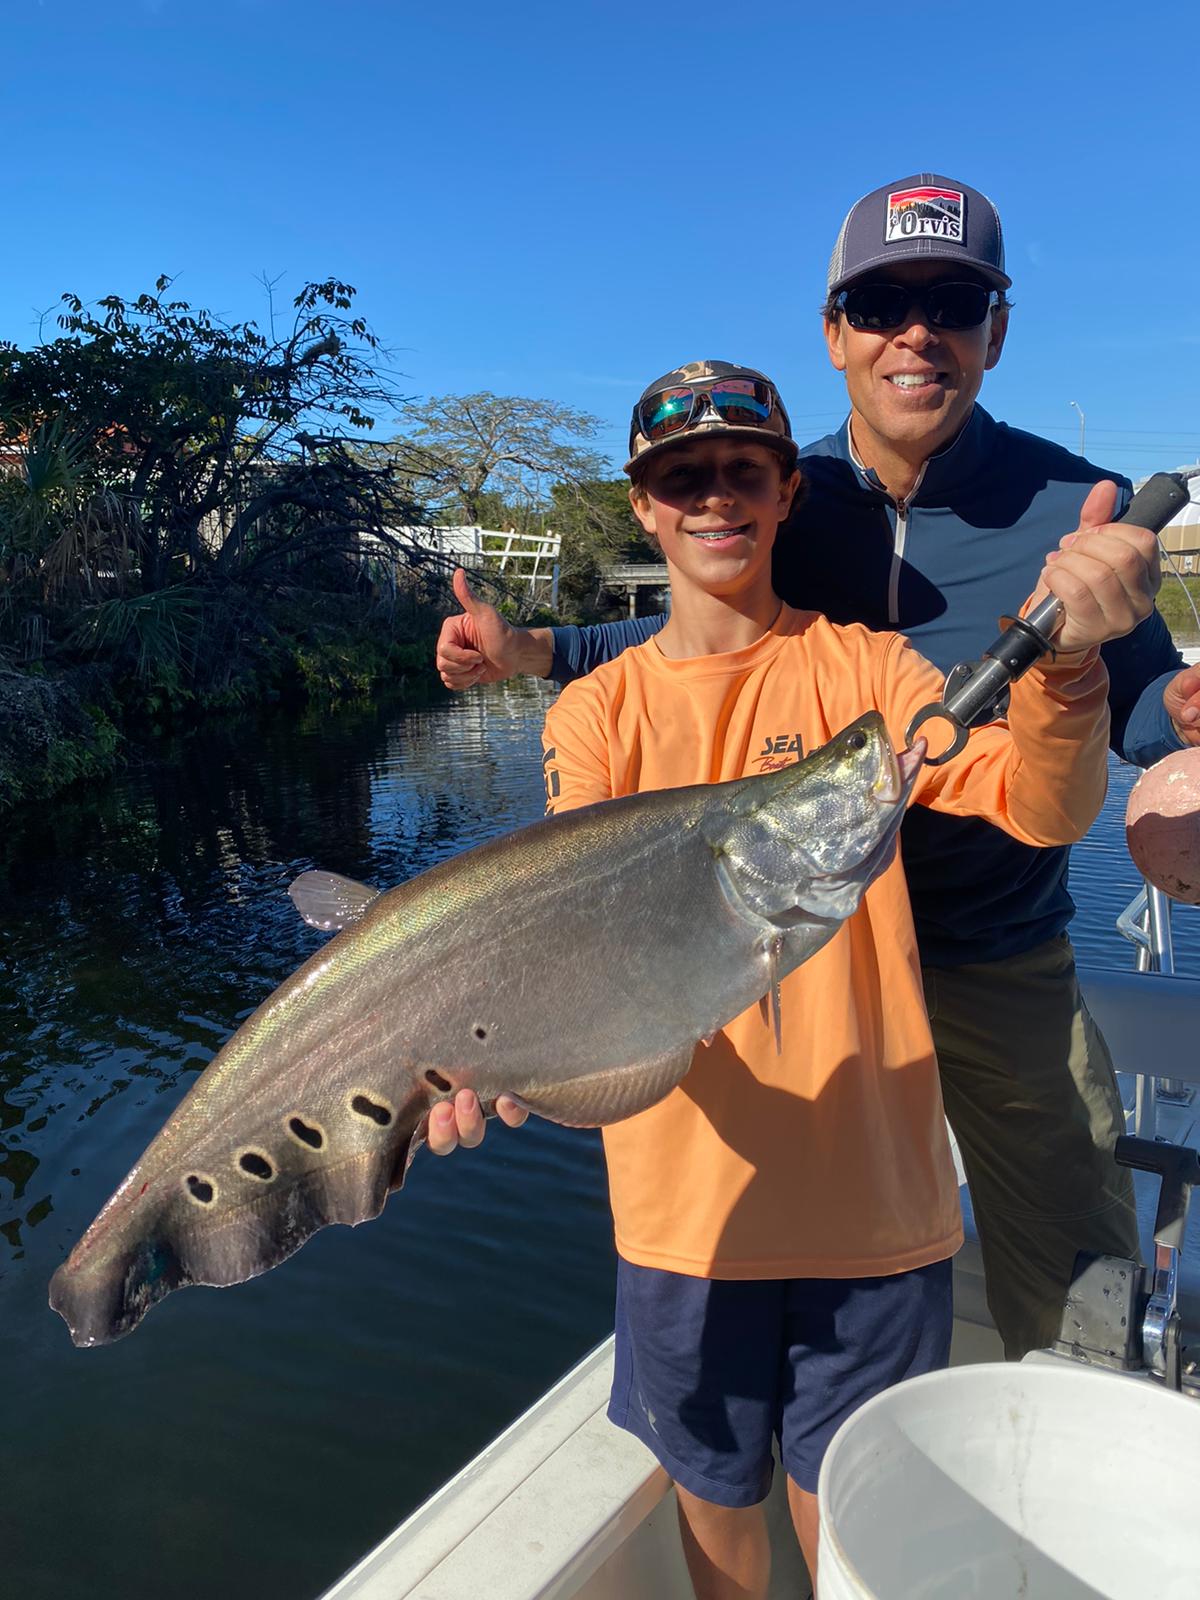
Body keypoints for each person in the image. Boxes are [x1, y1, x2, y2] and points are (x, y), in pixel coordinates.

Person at [435, 173, 1200, 1361]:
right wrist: (534, 649)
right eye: (883, 300)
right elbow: (695, 636)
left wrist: (1180, 723)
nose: (918, 331)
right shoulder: (794, 487)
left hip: (999, 947)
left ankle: (1066, 1466)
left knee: (1070, 1256)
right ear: (836, 329)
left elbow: (1139, 703)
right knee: (810, 1269)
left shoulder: (1072, 502)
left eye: (953, 300)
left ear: (995, 331)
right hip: (813, 950)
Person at [429, 357, 1157, 1600]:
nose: (716, 498)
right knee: (718, 1520)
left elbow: (1041, 805)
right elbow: (568, 937)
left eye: (745, 472)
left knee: (856, 1528)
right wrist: (489, 1056)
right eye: (683, 477)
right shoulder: (594, 713)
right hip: (684, 1218)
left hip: (876, 1208)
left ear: (783, 497)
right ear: (645, 505)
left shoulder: (870, 678)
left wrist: (1074, 669)